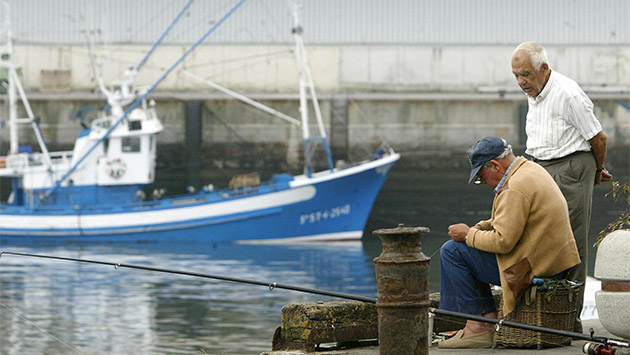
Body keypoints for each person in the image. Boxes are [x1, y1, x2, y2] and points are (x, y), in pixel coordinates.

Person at [438, 136, 580, 349]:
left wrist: (468, 235)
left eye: (480, 176)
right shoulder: (531, 170)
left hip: (532, 270)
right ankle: (485, 319)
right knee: (469, 248)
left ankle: (478, 327)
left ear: (494, 165)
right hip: (551, 263)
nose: (482, 182)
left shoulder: (514, 187)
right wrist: (481, 227)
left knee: (452, 251)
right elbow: (513, 221)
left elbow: (503, 242)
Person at [511, 42, 613, 332]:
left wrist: (595, 171)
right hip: (539, 166)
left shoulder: (568, 93)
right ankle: (543, 313)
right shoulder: (535, 90)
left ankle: (570, 320)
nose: (521, 82)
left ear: (544, 69)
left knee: (571, 243)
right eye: (516, 75)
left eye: (526, 75)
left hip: (570, 168)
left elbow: (599, 138)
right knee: (537, 239)